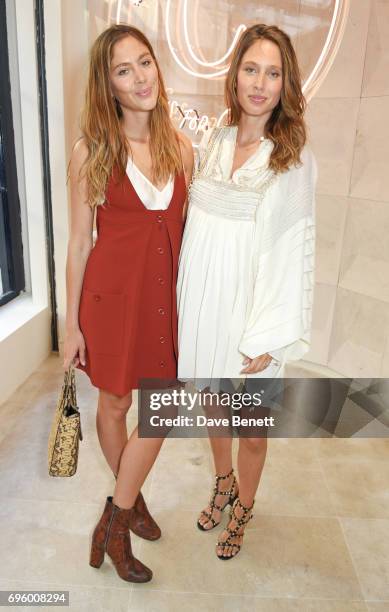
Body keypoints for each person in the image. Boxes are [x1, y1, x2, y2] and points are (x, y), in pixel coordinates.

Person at [177, 23, 317, 560]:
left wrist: (269, 335)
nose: (260, 83)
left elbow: (291, 252)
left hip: (254, 313)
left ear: (286, 84)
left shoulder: (291, 158)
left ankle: (244, 507)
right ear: (234, 75)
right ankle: (222, 481)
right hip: (208, 305)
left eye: (273, 73)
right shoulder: (214, 139)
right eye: (252, 69)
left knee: (251, 427)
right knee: (214, 407)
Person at [63, 24, 193, 582]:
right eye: (124, 69)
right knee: (115, 406)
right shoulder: (91, 150)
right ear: (108, 85)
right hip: (111, 301)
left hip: (165, 303)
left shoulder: (182, 147)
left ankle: (114, 515)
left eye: (145, 62)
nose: (140, 77)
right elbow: (79, 242)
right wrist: (71, 326)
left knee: (164, 409)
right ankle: (130, 501)